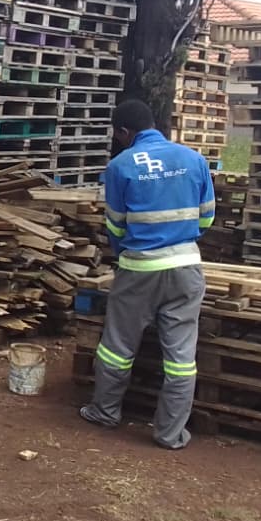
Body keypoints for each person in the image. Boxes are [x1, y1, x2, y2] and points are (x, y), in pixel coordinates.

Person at [80, 98, 215, 449]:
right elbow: (206, 218)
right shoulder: (194, 159)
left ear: (123, 132)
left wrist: (127, 253)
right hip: (185, 267)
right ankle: (170, 434)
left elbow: (116, 226)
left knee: (117, 346)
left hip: (139, 269)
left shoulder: (120, 166)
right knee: (181, 358)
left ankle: (105, 412)